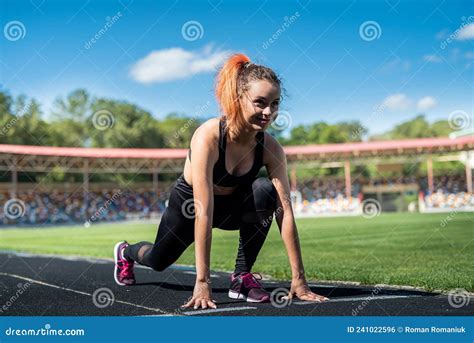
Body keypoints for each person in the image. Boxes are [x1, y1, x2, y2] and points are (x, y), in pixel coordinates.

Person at [113, 53, 329, 310]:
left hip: (231, 207)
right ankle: (126, 252)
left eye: (275, 103)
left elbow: (285, 212)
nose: (268, 112)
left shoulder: (271, 148)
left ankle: (242, 278)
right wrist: (202, 282)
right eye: (260, 103)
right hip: (191, 207)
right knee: (159, 260)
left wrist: (300, 280)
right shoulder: (209, 136)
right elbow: (203, 212)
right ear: (238, 99)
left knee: (264, 190)